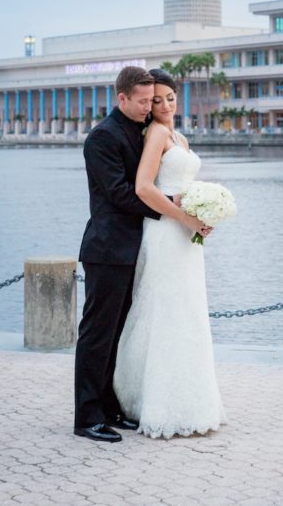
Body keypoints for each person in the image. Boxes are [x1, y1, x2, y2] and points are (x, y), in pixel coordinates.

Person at [74, 66, 210, 443]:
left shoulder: (141, 130)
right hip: (107, 247)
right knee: (97, 334)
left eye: (154, 100)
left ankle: (111, 408)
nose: (150, 107)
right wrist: (177, 207)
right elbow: (121, 193)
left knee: (120, 333)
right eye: (144, 101)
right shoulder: (101, 138)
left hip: (138, 245)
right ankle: (86, 417)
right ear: (122, 98)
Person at [113, 68, 227, 439]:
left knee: (187, 311)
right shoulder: (157, 133)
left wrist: (203, 215)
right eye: (154, 100)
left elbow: (184, 187)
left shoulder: (179, 136)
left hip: (182, 232)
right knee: (164, 311)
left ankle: (191, 399)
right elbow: (145, 188)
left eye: (168, 98)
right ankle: (156, 403)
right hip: (165, 231)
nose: (161, 105)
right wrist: (185, 219)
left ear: (178, 98)